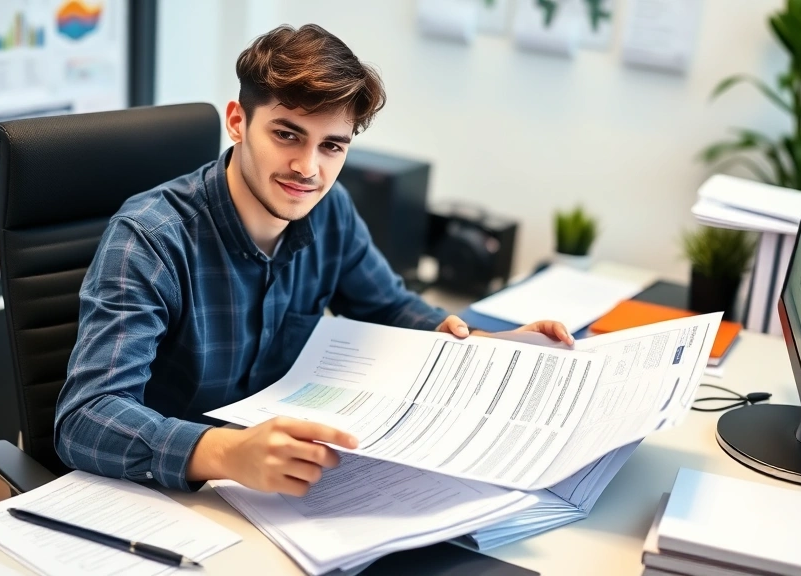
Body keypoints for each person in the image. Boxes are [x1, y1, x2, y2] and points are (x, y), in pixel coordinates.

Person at [55, 24, 574, 497]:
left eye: (332, 146)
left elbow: (388, 307)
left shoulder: (331, 213)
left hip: (294, 481)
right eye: (287, 135)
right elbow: (85, 418)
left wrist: (478, 345)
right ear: (238, 122)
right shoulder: (150, 239)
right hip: (175, 492)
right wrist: (226, 452)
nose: (308, 169)